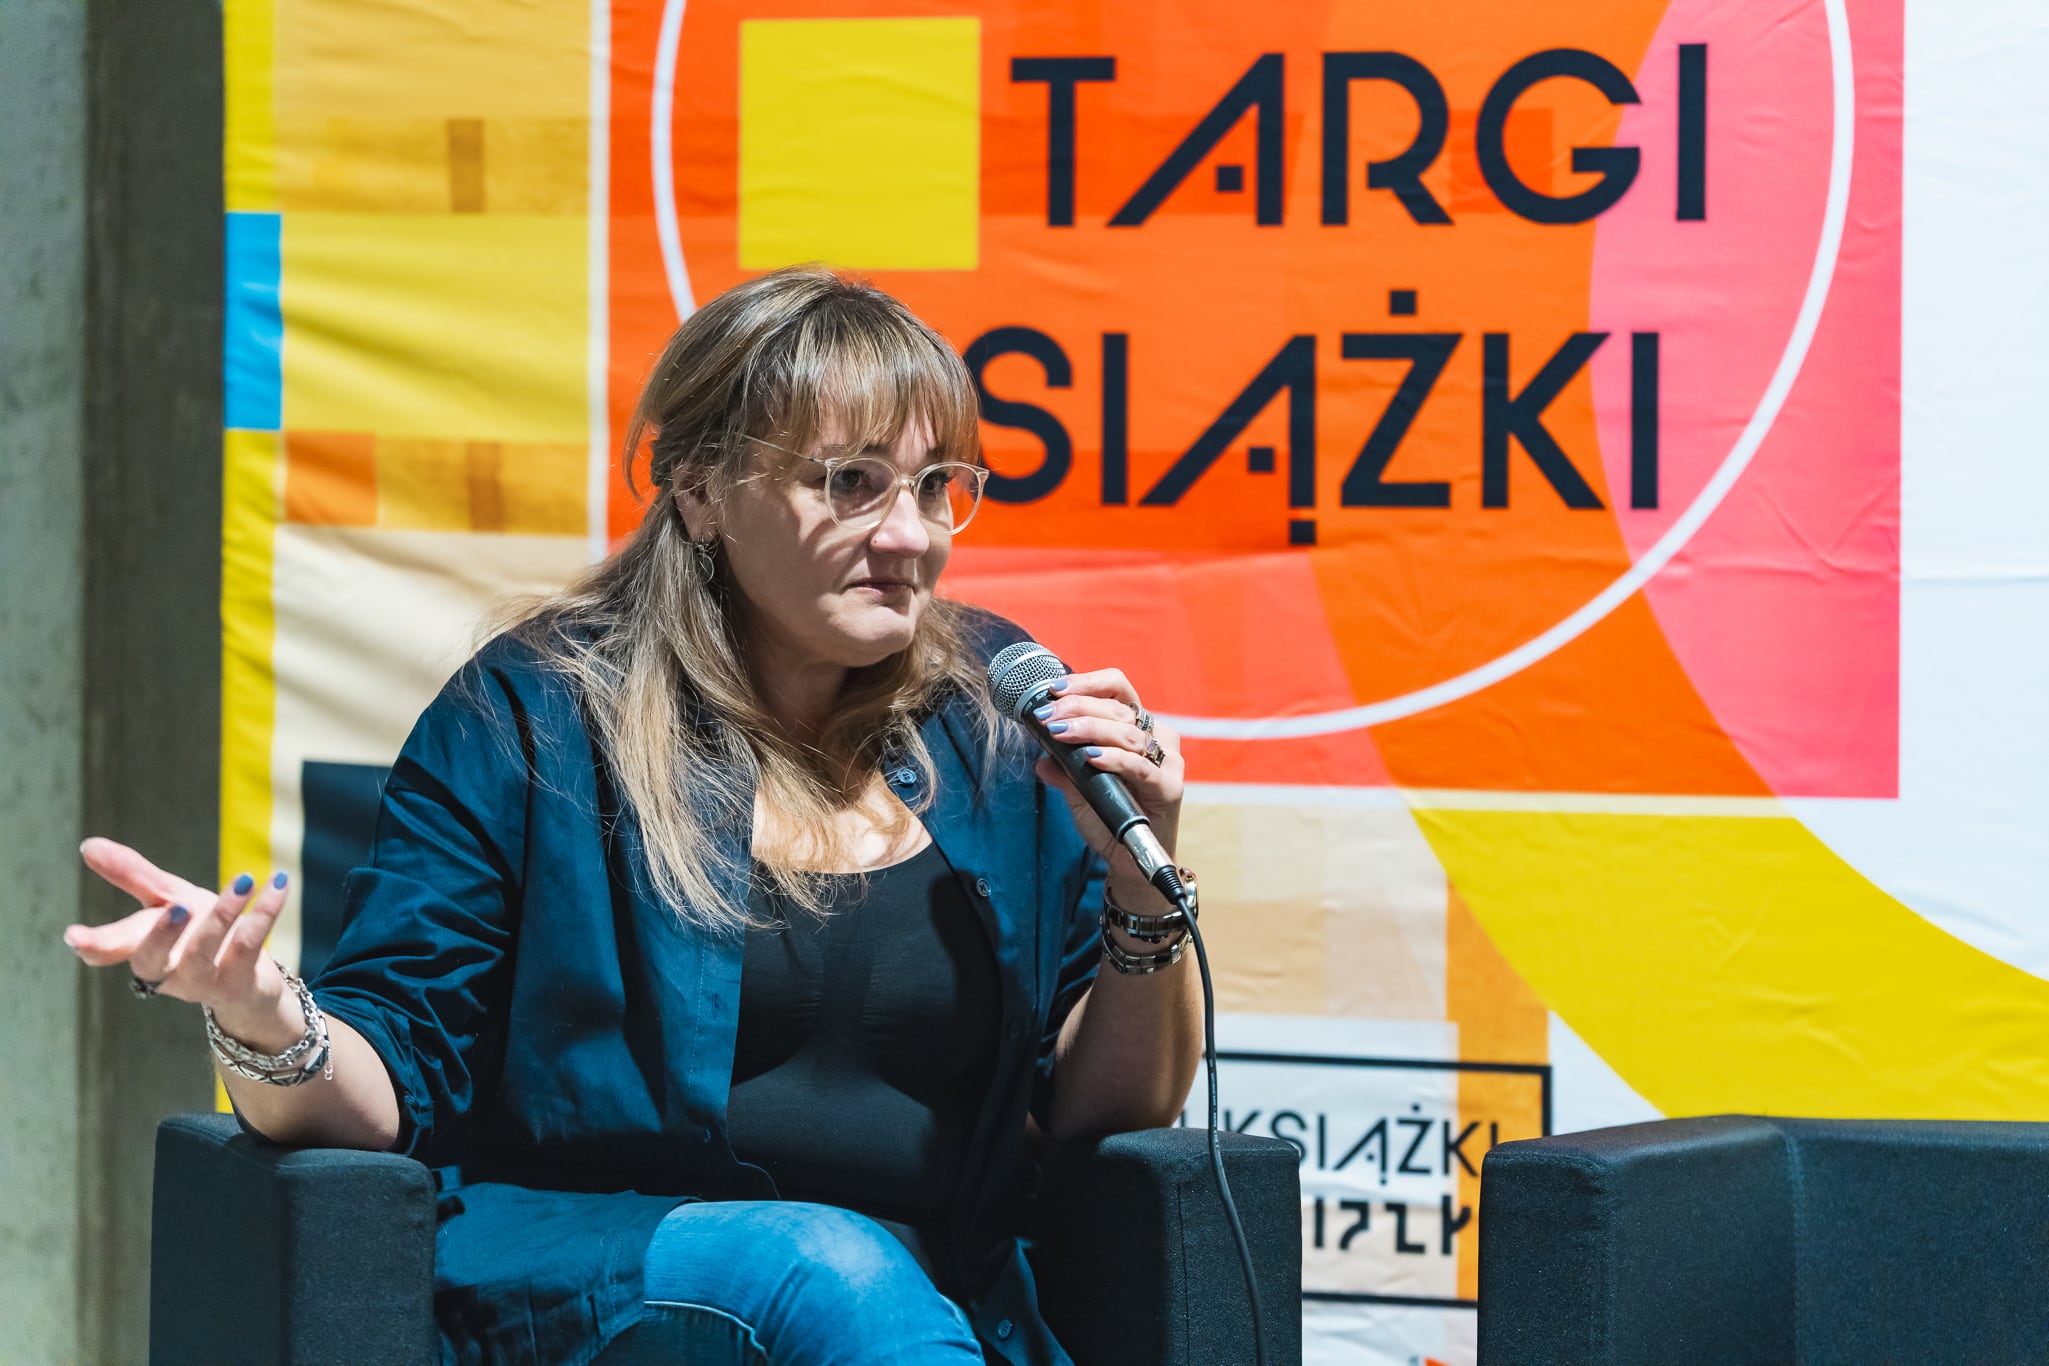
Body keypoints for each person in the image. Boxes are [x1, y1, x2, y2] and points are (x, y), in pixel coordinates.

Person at [64, 266, 1204, 1366]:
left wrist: (1140, 882)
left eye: (935, 486)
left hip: (928, 1303)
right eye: (851, 482)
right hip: (604, 1280)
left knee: (851, 1280)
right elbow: (386, 1090)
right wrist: (262, 1015)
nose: (909, 534)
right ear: (701, 490)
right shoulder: (538, 715)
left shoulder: (993, 717)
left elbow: (1104, 1110)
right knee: (821, 1264)